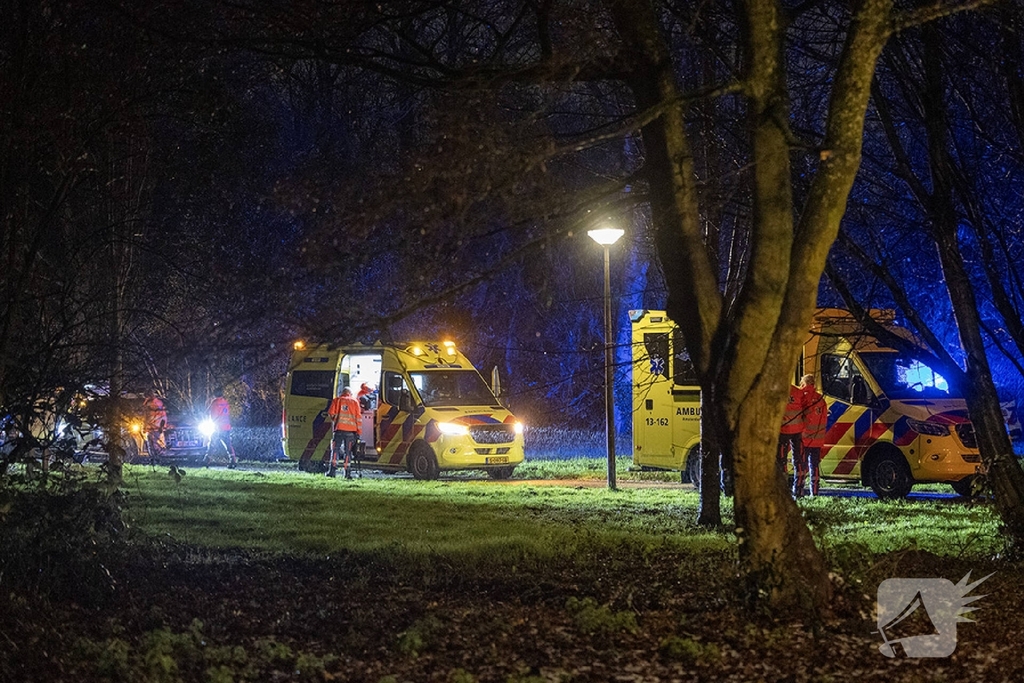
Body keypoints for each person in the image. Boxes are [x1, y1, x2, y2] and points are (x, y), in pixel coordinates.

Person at [796, 374, 827, 497]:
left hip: (804, 439)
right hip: (817, 439)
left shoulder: (802, 397)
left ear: (803, 384)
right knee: (814, 466)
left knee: (801, 466)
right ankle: (814, 492)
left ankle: (799, 492)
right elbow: (824, 419)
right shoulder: (821, 399)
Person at [327, 386, 361, 479]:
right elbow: (358, 418)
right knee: (348, 452)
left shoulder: (337, 400)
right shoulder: (355, 402)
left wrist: (336, 420)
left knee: (335, 450)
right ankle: (347, 473)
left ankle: (332, 471)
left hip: (338, 430)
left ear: (343, 392)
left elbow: (331, 413)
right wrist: (358, 432)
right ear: (350, 393)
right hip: (351, 432)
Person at [778, 382, 805, 480]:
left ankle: (783, 483)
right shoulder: (798, 392)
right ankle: (799, 487)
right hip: (797, 430)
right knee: (799, 459)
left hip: (784, 430)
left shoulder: (778, 391)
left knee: (782, 459)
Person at [207, 387, 238, 468]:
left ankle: (207, 460)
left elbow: (213, 416)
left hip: (218, 428)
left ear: (214, 394)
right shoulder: (225, 402)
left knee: (212, 443)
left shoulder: (214, 403)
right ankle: (233, 460)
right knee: (228, 445)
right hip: (226, 427)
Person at [143, 392, 167, 456]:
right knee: (152, 442)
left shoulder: (155, 404)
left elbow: (162, 417)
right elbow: (147, 417)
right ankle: (155, 454)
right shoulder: (152, 404)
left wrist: (161, 427)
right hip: (152, 428)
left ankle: (158, 454)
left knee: (155, 442)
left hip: (156, 428)